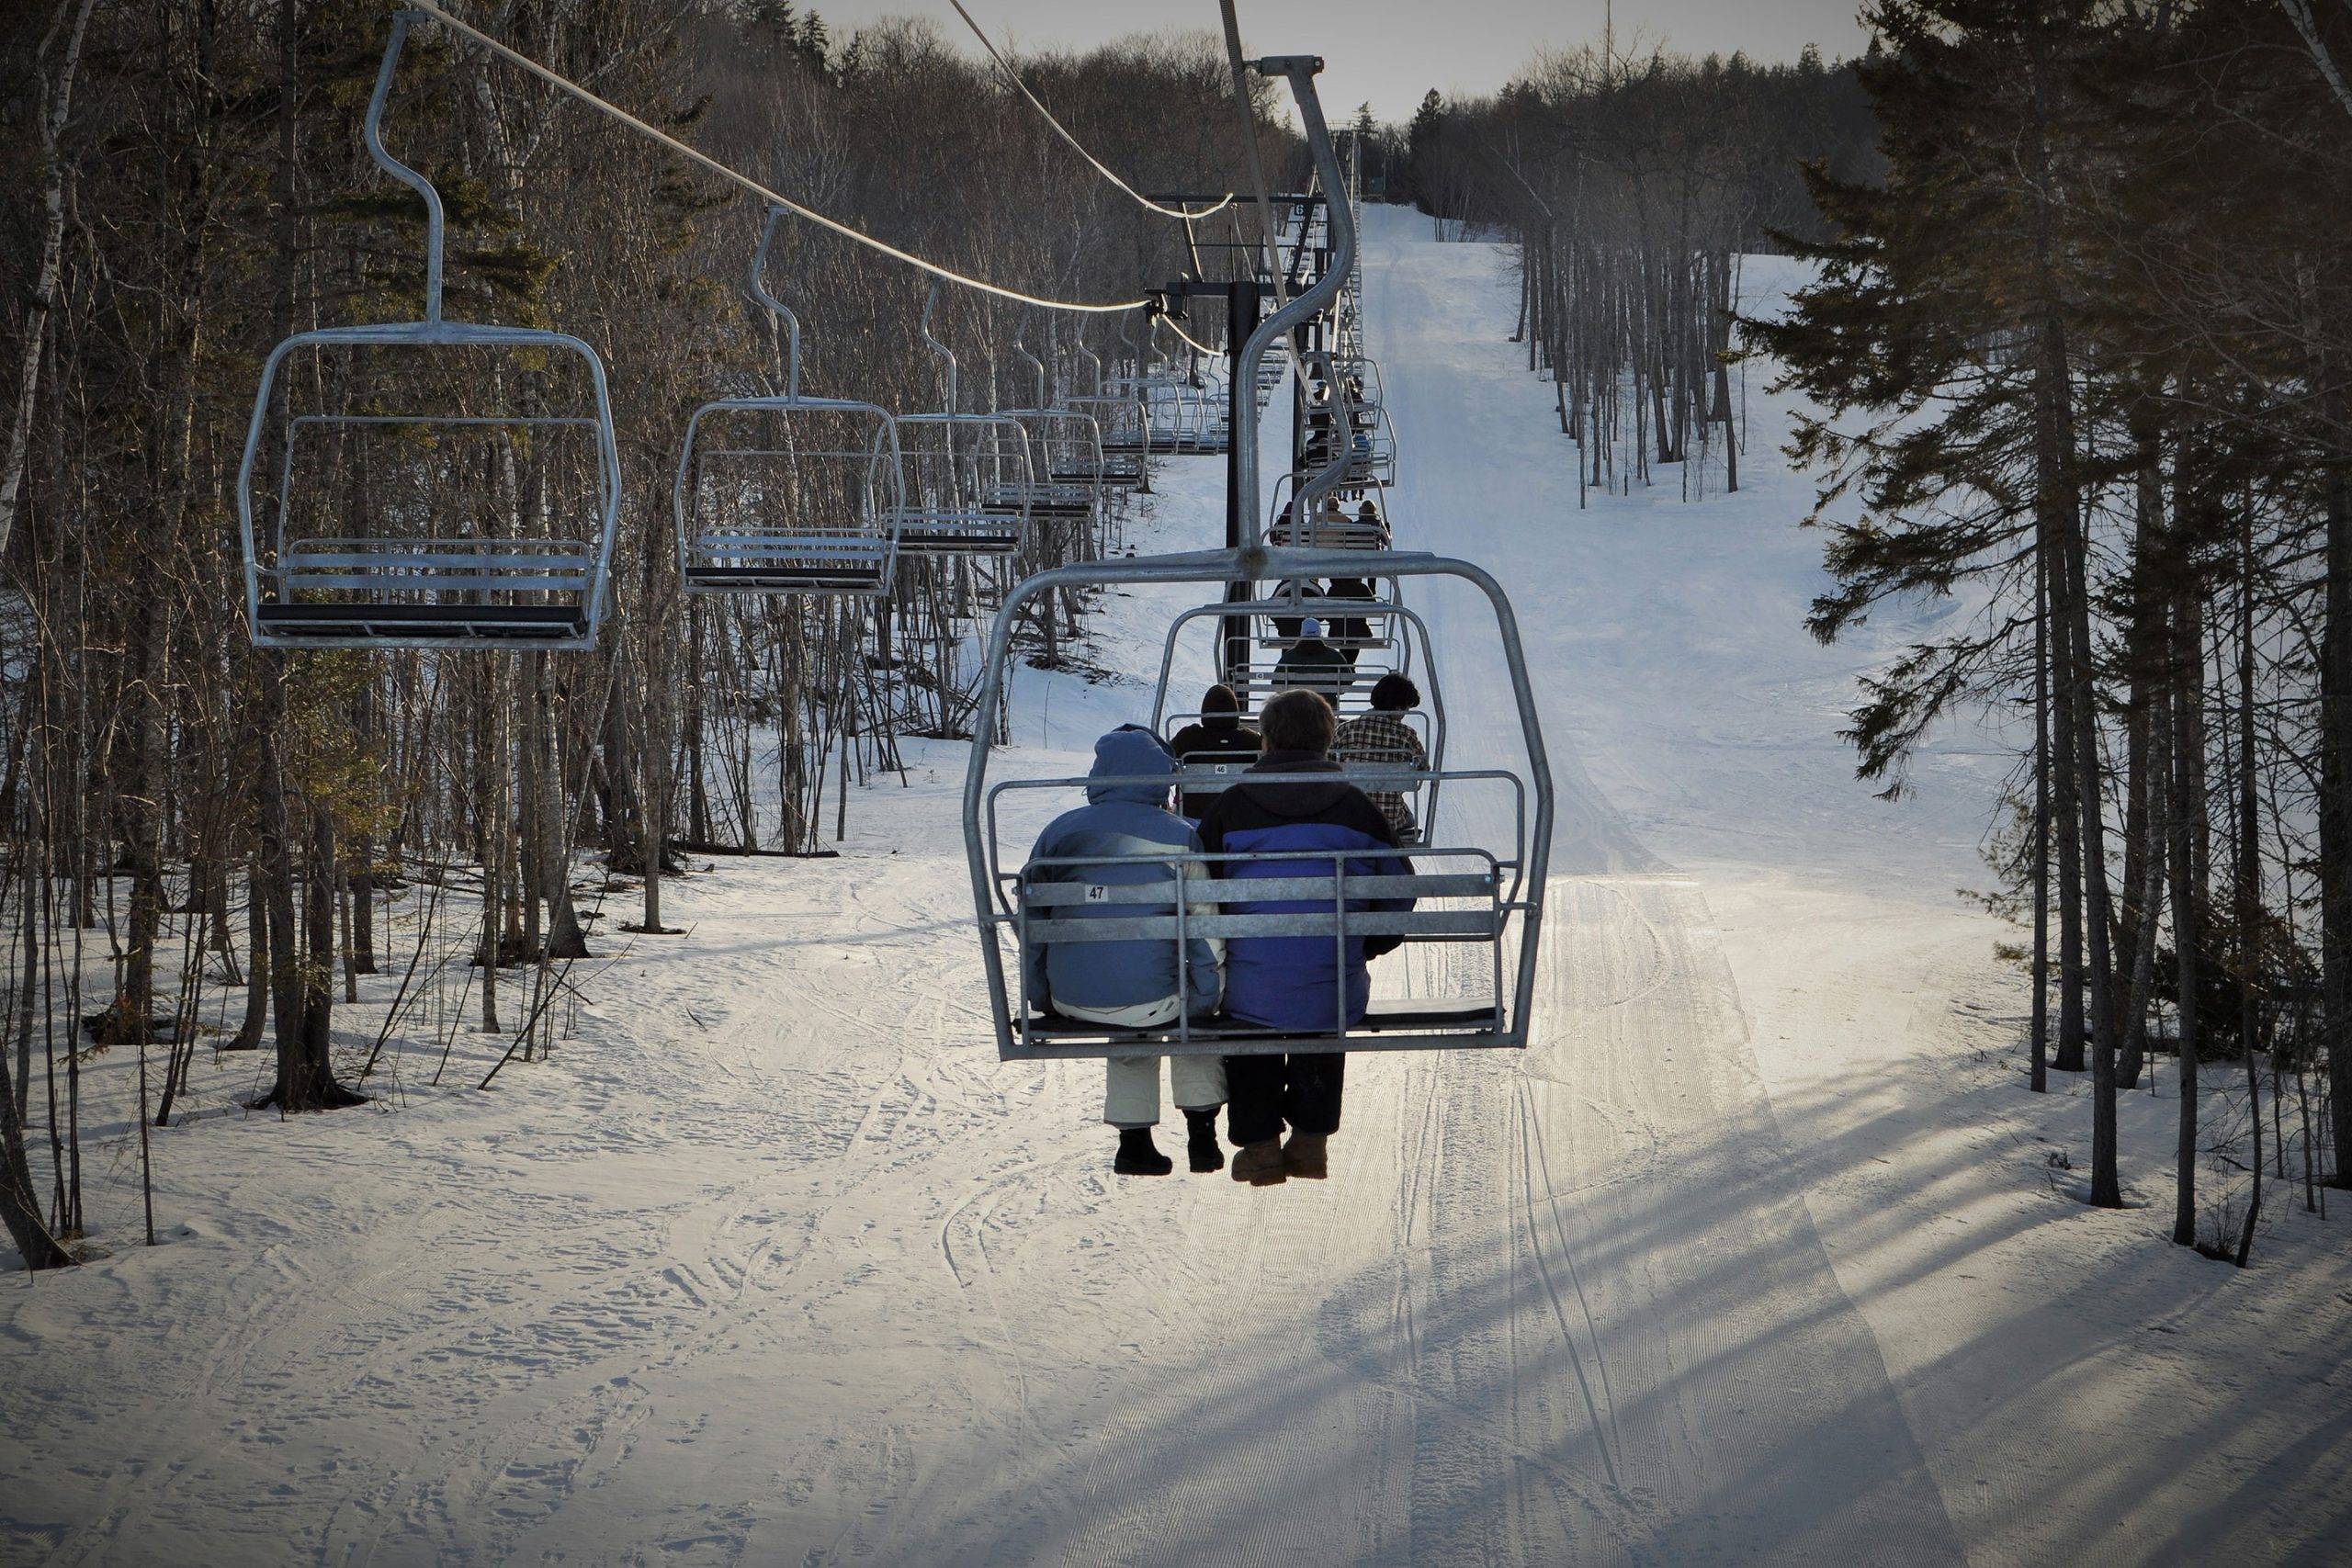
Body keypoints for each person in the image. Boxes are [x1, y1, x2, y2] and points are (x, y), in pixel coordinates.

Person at [1195, 691, 1413, 1184]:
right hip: (1334, 985)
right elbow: (1401, 887)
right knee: (1323, 1007)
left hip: (1249, 986)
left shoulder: (1232, 808)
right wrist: (1366, 943)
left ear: (1265, 741)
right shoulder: (1357, 808)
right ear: (1328, 742)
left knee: (1252, 1017)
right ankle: (1311, 1140)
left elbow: (1198, 888)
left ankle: (1261, 1143)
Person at [1021, 725, 1227, 1176]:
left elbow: (1032, 923)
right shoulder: (1180, 837)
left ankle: (1133, 1143)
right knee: (1188, 1016)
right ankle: (1201, 1133)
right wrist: (1208, 997)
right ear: (1161, 778)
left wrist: (1040, 995)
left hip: (1072, 998)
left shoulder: (1058, 833)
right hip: (1155, 1001)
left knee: (1129, 1012)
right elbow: (1204, 928)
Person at [1334, 673, 1430, 843]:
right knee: (1408, 817)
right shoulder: (1407, 735)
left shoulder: (1345, 729)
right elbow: (1422, 770)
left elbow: (1326, 764)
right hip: (1390, 820)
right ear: (1399, 708)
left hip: (1350, 816)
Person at [1165, 683, 1261, 819]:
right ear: (1235, 711)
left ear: (1205, 710)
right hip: (1238, 815)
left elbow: (1167, 760)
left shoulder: (1189, 737)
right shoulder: (1250, 740)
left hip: (1192, 815)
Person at [1272, 615, 1351, 697]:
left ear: (1302, 633)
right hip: (1326, 705)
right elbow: (1347, 681)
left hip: (1297, 705)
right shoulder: (1333, 655)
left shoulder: (1290, 655)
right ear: (1319, 633)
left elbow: (1277, 683)